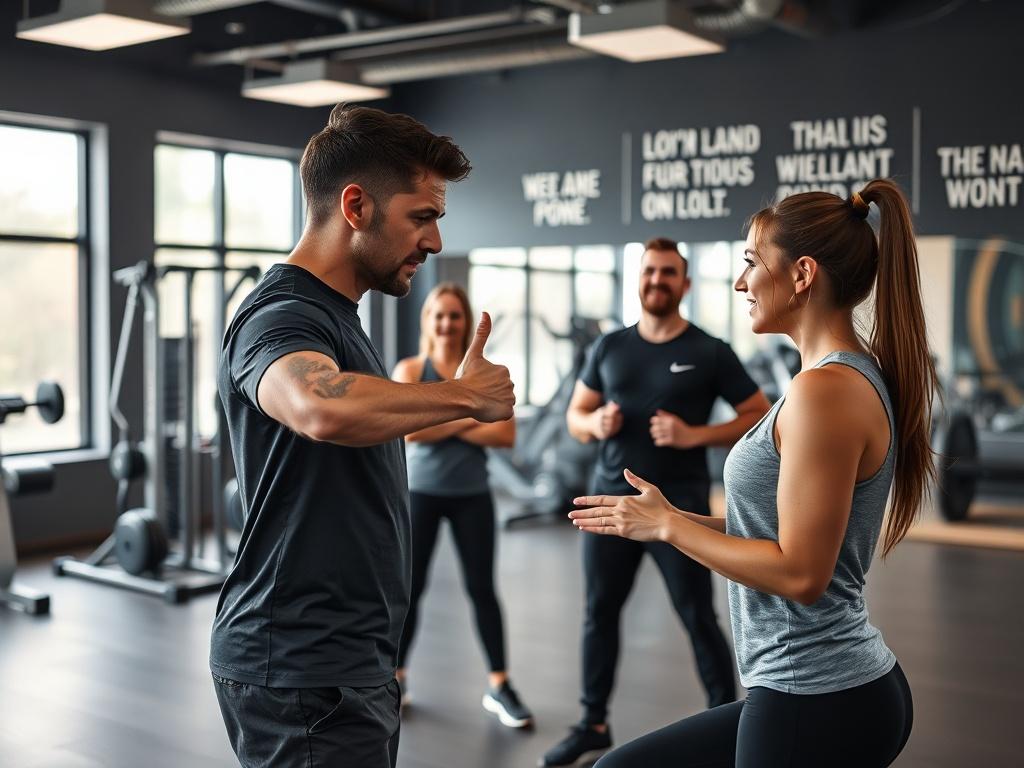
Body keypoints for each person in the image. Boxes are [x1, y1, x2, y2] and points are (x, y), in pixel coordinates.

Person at [570, 179, 928, 768]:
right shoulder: (831, 380)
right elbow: (773, 529)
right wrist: (666, 516)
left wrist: (670, 530)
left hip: (814, 692)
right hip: (816, 687)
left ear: (802, 274)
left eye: (751, 263)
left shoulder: (827, 391)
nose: (740, 282)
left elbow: (802, 574)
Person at [211, 104, 515, 768]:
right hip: (303, 670)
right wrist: (464, 397)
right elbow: (317, 406)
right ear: (356, 205)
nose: (434, 243)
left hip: (348, 660)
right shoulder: (281, 315)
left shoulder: (340, 317)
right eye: (423, 216)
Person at [540, 238, 771, 767]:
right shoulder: (610, 348)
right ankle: (592, 722)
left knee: (696, 614)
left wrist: (694, 435)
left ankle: (727, 720)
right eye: (649, 272)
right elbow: (577, 416)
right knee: (599, 614)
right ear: (638, 278)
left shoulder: (709, 350)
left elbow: (758, 414)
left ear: (684, 284)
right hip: (610, 507)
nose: (657, 281)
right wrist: (593, 423)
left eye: (668, 273)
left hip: (677, 510)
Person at [391, 282, 534, 728]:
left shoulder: (485, 373)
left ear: (465, 320)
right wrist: (469, 411)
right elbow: (409, 431)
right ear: (427, 321)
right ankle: (396, 679)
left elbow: (505, 435)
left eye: (454, 315)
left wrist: (439, 413)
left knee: (482, 591)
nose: (447, 323)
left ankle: (500, 684)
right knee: (411, 590)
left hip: (472, 494)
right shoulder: (412, 369)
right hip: (423, 494)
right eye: (439, 315)